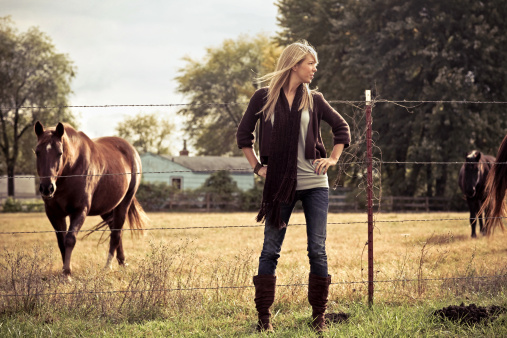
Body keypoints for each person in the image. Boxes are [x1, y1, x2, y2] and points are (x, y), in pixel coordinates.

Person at [236, 40, 351, 333]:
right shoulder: (264, 98)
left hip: (314, 184)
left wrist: (332, 159)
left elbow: (342, 129)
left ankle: (319, 319)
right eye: (311, 63)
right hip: (279, 185)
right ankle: (264, 320)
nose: (315, 69)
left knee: (317, 250)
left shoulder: (314, 99)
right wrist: (257, 167)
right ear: (295, 64)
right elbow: (243, 135)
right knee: (270, 250)